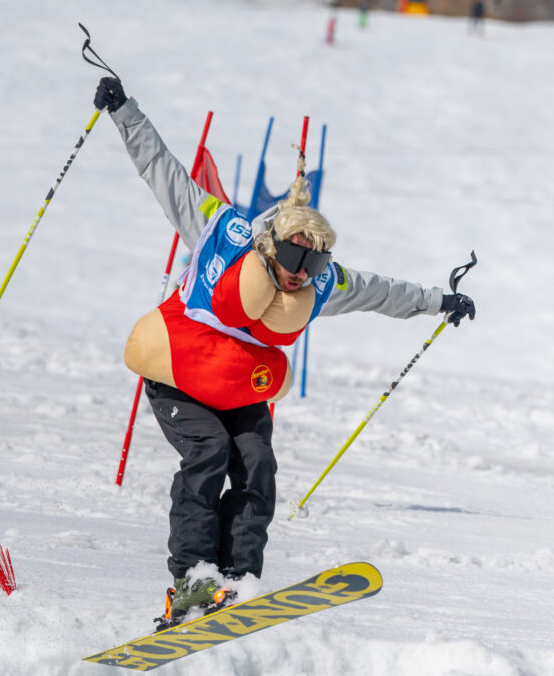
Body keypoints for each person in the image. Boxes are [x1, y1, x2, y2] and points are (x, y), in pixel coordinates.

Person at [93, 76, 476, 629]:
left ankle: (239, 579)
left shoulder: (318, 283)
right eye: (295, 255)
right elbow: (165, 172)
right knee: (207, 455)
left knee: (256, 466)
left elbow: (379, 290)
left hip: (237, 388)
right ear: (273, 243)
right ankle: (194, 579)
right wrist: (125, 111)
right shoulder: (220, 229)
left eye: (314, 265)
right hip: (178, 375)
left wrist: (439, 299)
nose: (301, 273)